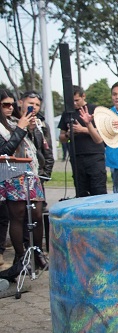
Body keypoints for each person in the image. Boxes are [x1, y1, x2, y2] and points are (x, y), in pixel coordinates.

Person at [0, 91, 47, 270]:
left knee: (37, 214)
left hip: (31, 172)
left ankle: (37, 253)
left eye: (12, 104)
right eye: (5, 104)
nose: (10, 108)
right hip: (12, 174)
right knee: (17, 216)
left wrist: (32, 130)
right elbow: (5, 151)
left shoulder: (16, 121)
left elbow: (37, 147)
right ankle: (21, 258)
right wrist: (20, 128)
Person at [58, 86, 107, 197]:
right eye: (72, 101)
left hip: (94, 155)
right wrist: (68, 134)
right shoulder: (67, 113)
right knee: (81, 190)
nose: (74, 104)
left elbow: (103, 131)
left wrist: (83, 129)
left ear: (83, 96)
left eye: (77, 100)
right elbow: (61, 136)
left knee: (98, 189)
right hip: (76, 156)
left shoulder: (95, 110)